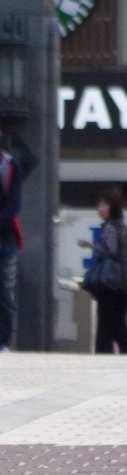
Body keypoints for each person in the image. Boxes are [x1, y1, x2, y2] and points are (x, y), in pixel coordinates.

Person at [78, 191, 127, 354]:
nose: (100, 209)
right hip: (124, 282)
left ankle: (103, 354)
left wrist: (90, 245)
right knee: (118, 323)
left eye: (104, 205)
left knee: (105, 323)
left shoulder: (111, 226)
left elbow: (109, 251)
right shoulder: (122, 226)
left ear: (113, 207)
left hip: (109, 283)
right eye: (99, 205)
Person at [0, 147, 20, 352]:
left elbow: (15, 204)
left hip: (4, 237)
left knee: (4, 293)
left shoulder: (10, 165)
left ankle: (3, 342)